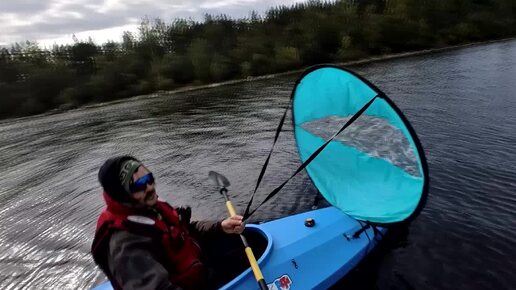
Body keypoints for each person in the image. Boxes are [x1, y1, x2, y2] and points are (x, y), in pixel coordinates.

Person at [91, 156, 246, 290]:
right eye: (139, 185)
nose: (149, 187)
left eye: (149, 178)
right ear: (122, 195)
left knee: (243, 250)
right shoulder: (125, 246)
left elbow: (185, 229)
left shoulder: (149, 206)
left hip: (199, 269)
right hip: (192, 284)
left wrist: (220, 226)